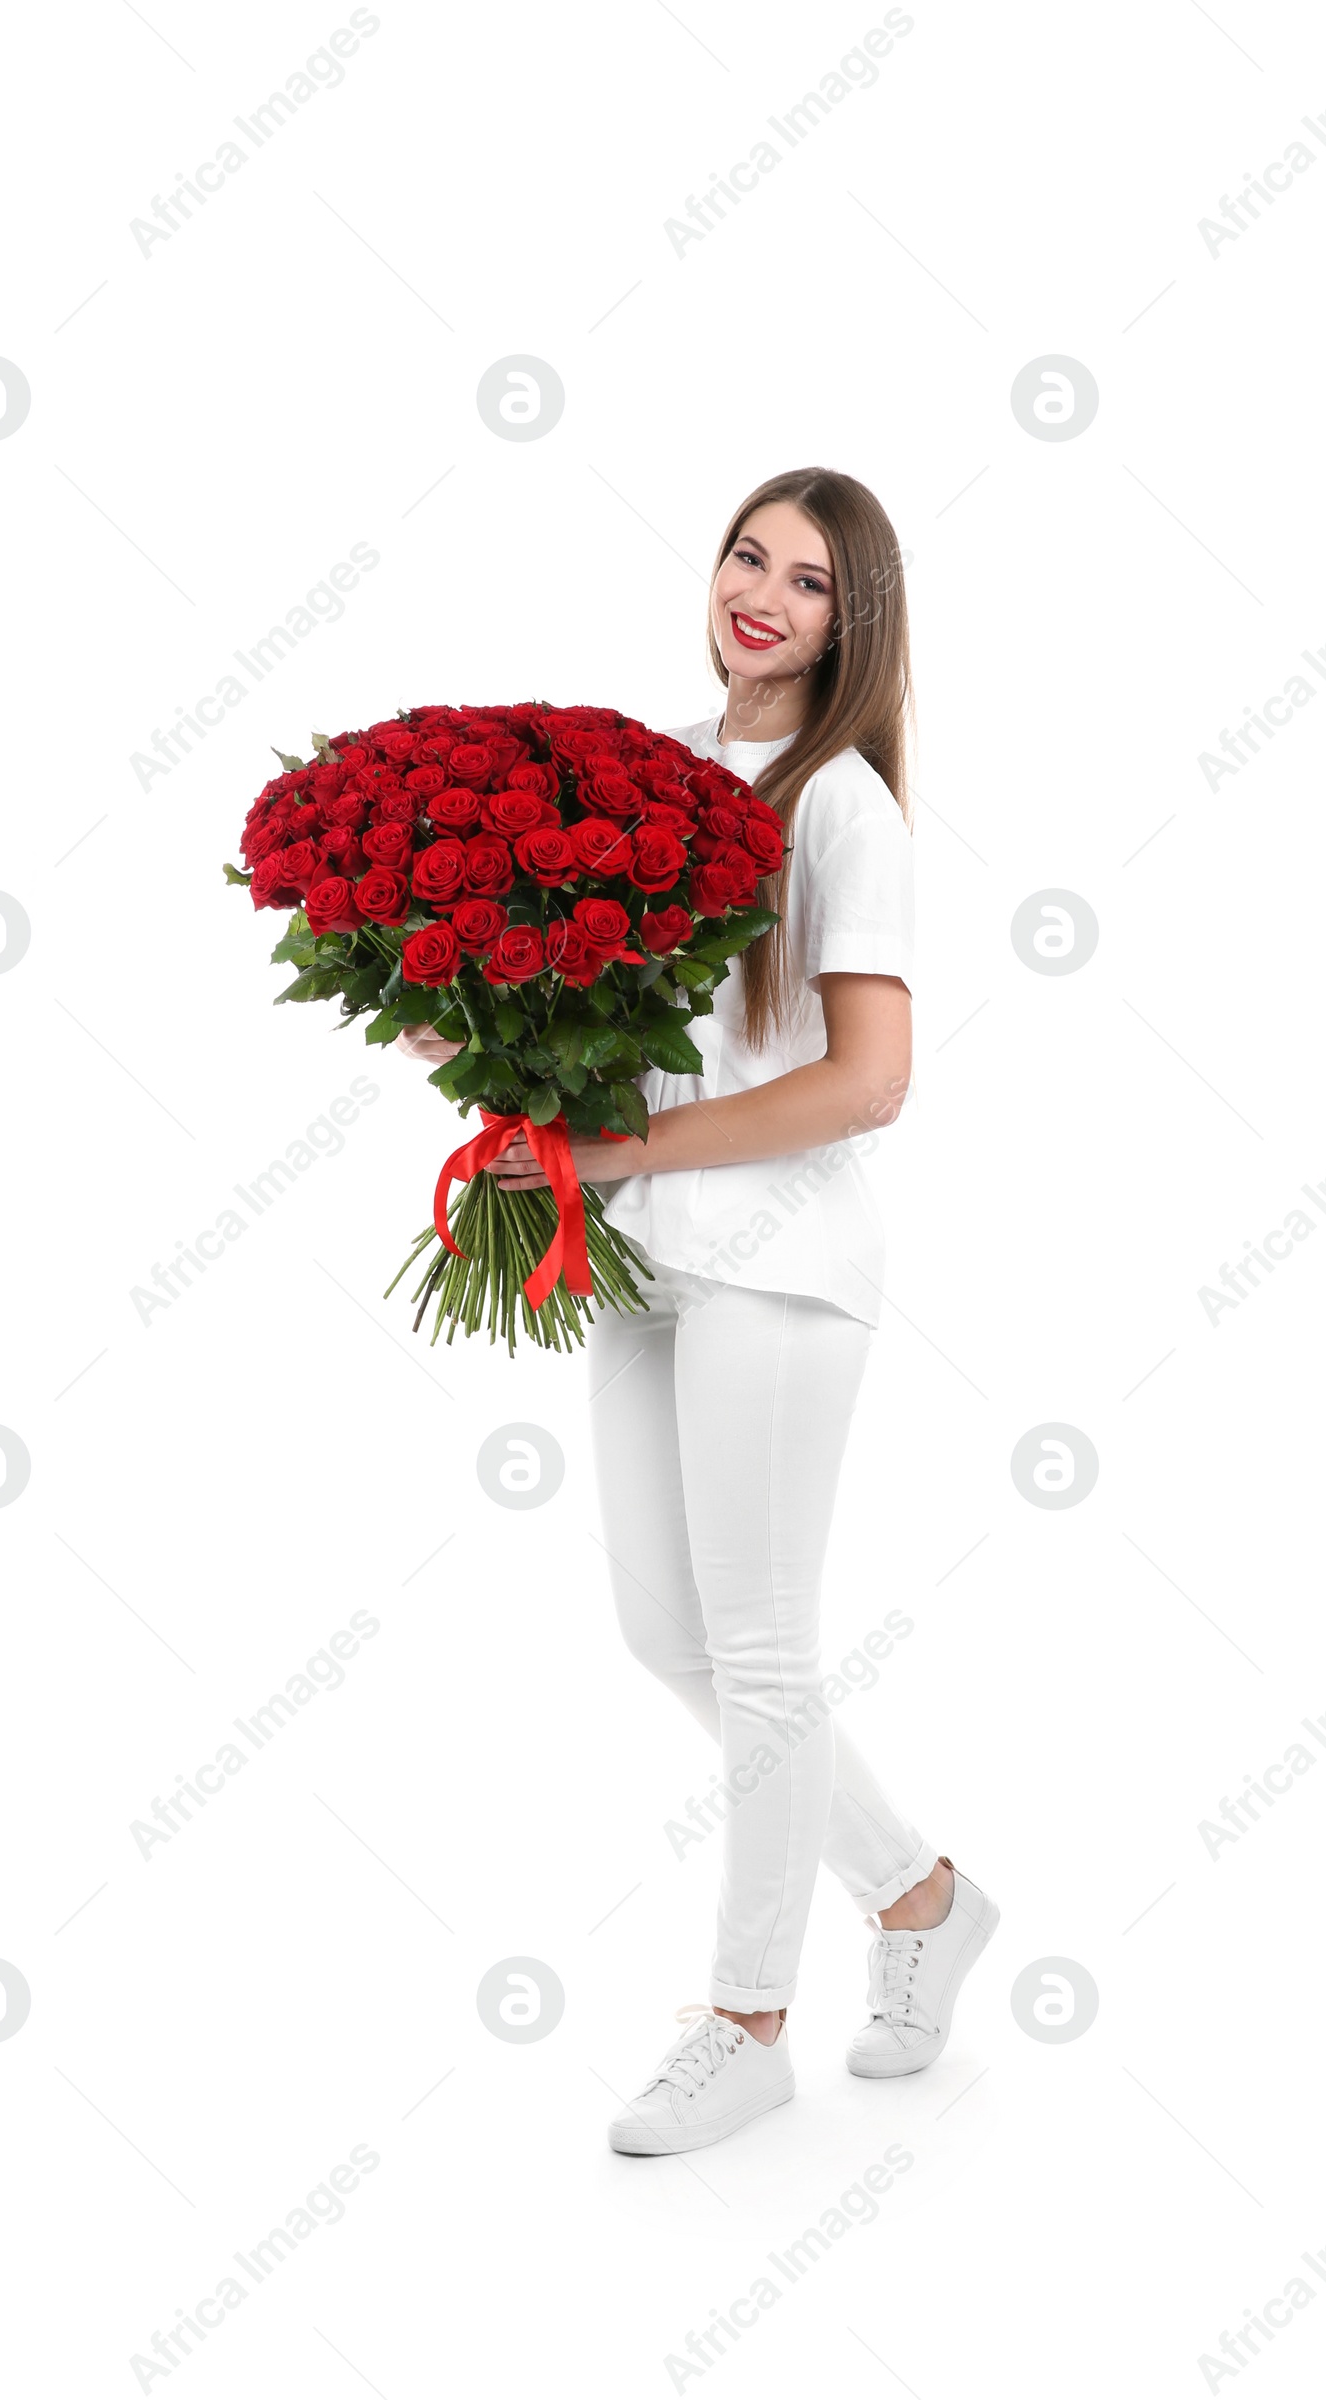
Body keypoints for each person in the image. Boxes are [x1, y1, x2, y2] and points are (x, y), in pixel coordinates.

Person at [399, 468, 996, 2155]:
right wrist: (458, 1011)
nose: (763, 594)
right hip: (651, 1252)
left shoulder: (840, 808)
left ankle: (746, 2022)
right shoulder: (651, 775)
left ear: (849, 625)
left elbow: (868, 1082)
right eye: (749, 554)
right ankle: (925, 1900)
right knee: (671, 1636)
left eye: (808, 581)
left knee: (763, 1645)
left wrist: (614, 1150)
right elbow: (611, 1033)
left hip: (782, 1259)